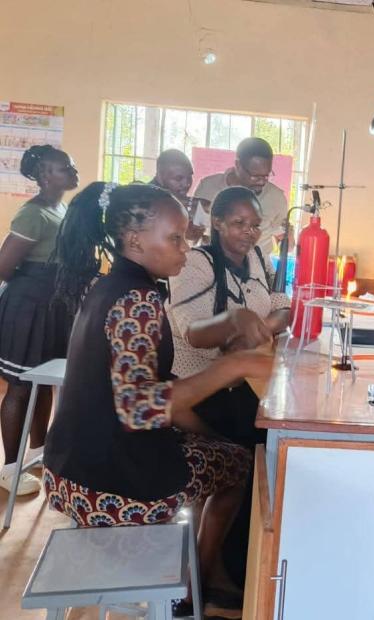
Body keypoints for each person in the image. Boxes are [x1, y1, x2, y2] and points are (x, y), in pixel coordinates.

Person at [43, 182, 274, 615]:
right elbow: (138, 408)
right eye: (174, 238)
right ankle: (194, 591)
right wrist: (234, 366)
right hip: (108, 481)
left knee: (224, 451)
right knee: (241, 465)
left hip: (67, 466)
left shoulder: (108, 284)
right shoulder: (139, 300)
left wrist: (207, 434)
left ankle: (202, 575)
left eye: (186, 237)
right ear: (134, 240)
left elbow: (143, 383)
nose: (185, 249)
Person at [167, 185, 290, 447]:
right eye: (240, 223)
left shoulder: (258, 258)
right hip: (200, 389)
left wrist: (259, 329)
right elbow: (194, 333)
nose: (250, 231)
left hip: (243, 382)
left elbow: (283, 307)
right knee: (256, 448)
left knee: (277, 437)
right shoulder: (195, 263)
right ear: (217, 222)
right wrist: (234, 321)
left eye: (256, 225)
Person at [0, 145, 78, 495]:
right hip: (28, 307)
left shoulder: (59, 208)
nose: (73, 170)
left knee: (43, 383)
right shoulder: (32, 215)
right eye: (65, 167)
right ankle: (11, 468)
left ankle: (39, 453)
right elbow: (4, 266)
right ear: (46, 175)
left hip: (52, 308)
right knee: (20, 384)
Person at [194, 138, 290, 256]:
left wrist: (289, 236)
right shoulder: (208, 187)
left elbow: (285, 242)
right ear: (238, 165)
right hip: (211, 268)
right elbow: (192, 236)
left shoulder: (276, 198)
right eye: (255, 176)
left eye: (266, 175)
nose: (262, 182)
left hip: (255, 272)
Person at [149, 149, 208, 245]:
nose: (186, 183)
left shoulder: (180, 201)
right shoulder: (143, 198)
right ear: (160, 176)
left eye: (190, 176)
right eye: (178, 178)